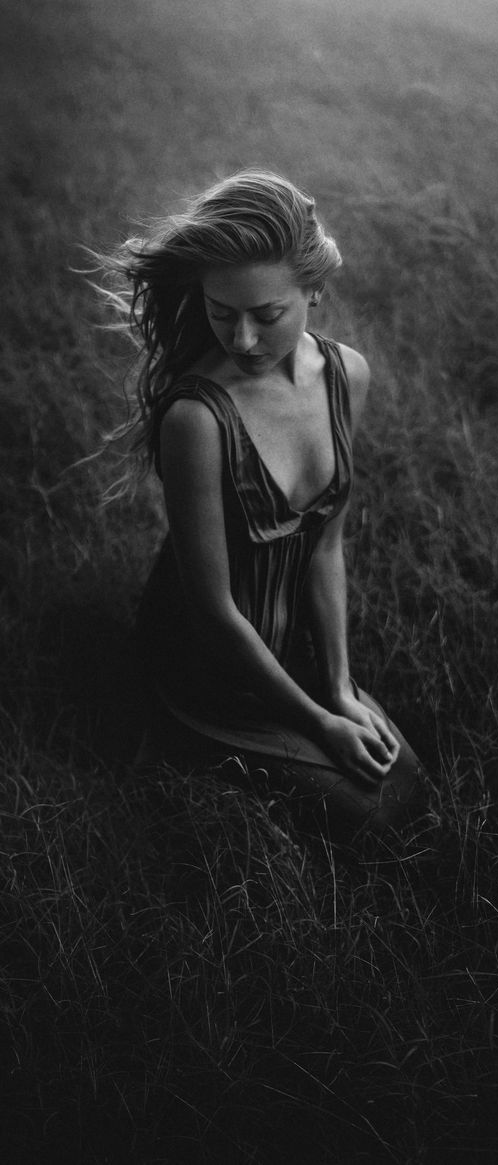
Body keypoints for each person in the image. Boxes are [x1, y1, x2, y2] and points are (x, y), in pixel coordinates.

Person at [104, 169, 427, 847]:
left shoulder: (347, 376)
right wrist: (316, 723)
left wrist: (337, 688)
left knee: (406, 789)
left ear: (312, 288)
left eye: (266, 314)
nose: (242, 339)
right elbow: (213, 608)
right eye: (222, 312)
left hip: (294, 646)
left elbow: (326, 545)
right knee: (374, 820)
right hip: (208, 659)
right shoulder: (196, 417)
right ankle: (182, 750)